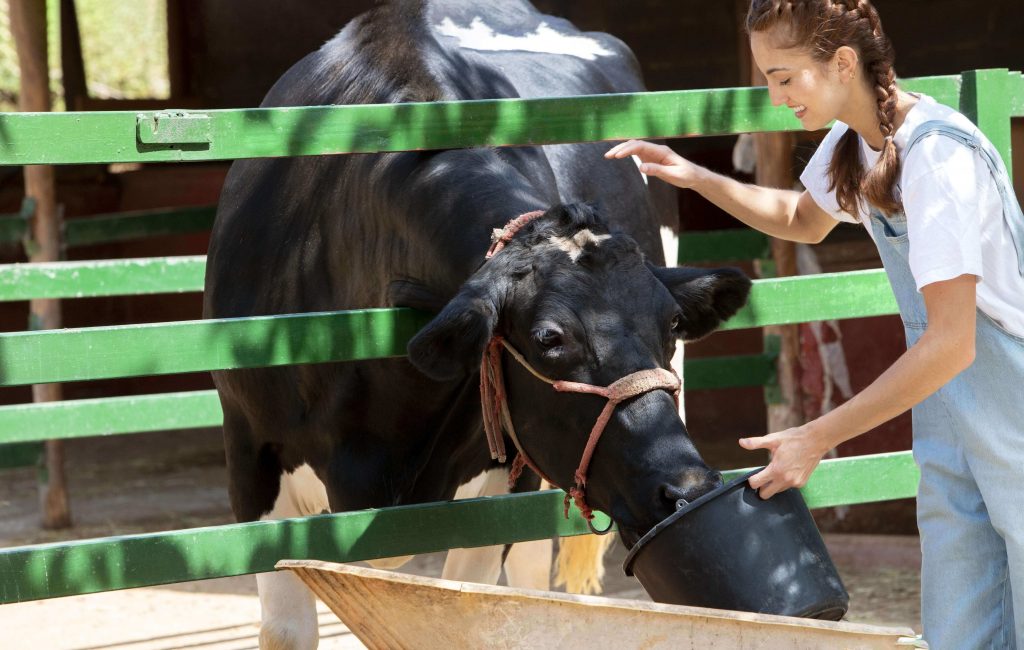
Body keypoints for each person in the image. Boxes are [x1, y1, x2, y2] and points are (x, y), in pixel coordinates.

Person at [606, 1, 1023, 647]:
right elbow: (803, 219)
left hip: (1005, 391)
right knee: (962, 608)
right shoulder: (858, 143)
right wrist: (693, 176)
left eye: (784, 77)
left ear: (844, 63)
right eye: (767, 81)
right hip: (952, 406)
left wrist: (817, 436)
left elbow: (953, 340)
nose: (775, 99)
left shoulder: (937, 157)